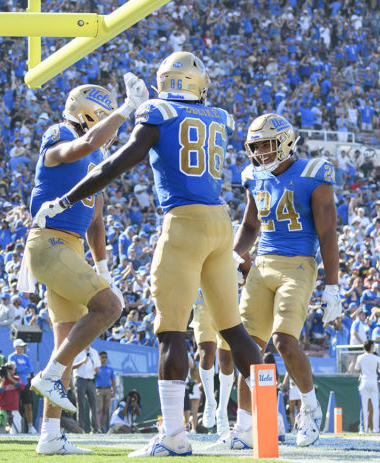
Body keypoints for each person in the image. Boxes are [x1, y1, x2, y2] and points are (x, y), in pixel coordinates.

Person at [33, 51, 264, 457]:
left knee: (171, 331)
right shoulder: (220, 116)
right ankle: (259, 427)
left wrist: (67, 199)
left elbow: (117, 164)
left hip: (184, 224)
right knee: (235, 331)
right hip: (219, 222)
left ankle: (174, 435)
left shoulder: (158, 111)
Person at [25, 75, 148, 455]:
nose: (110, 123)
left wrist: (105, 268)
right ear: (89, 112)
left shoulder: (94, 155)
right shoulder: (59, 134)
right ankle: (47, 377)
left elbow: (96, 220)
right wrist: (128, 110)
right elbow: (87, 143)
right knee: (109, 307)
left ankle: (49, 436)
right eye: (106, 115)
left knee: (67, 345)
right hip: (49, 243)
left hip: (73, 249)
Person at [217, 113, 340, 448]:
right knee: (247, 347)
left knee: (285, 342)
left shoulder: (313, 173)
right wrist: (233, 254)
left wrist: (332, 286)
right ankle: (244, 427)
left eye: (267, 145)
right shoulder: (254, 176)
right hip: (262, 264)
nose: (261, 153)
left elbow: (328, 232)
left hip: (299, 263)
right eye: (255, 147)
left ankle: (311, 409)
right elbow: (251, 226)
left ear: (285, 141)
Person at [190, 291, 234, 436]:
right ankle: (210, 401)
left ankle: (222, 411)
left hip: (225, 301)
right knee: (205, 353)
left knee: (226, 359)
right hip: (202, 301)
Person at [355, 340, 380, 433]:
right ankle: (376, 428)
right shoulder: (376, 358)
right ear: (371, 347)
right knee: (375, 407)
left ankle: (364, 428)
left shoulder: (360, 357)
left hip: (364, 381)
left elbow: (357, 370)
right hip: (373, 381)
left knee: (363, 407)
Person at [8, 339, 37, 434]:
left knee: (28, 405)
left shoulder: (26, 357)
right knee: (15, 407)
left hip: (25, 384)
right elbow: (13, 370)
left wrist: (20, 369)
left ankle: (30, 427)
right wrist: (23, 369)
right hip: (15, 385)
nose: (23, 348)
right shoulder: (11, 357)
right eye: (21, 346)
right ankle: (15, 427)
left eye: (23, 346)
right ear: (16, 347)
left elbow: (30, 369)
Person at [72, 345, 101, 433]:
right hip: (80, 380)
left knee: (93, 405)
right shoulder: (77, 351)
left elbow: (97, 368)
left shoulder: (94, 352)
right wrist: (82, 362)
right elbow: (72, 366)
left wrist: (96, 368)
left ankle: (95, 428)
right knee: (80, 405)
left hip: (91, 380)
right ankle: (81, 427)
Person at [96, 351, 116, 433]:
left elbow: (113, 380)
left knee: (105, 410)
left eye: (105, 357)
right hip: (99, 390)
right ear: (99, 358)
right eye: (102, 357)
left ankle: (102, 427)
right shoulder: (97, 368)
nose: (104, 359)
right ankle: (97, 427)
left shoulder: (110, 369)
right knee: (98, 410)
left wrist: (113, 391)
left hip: (108, 390)